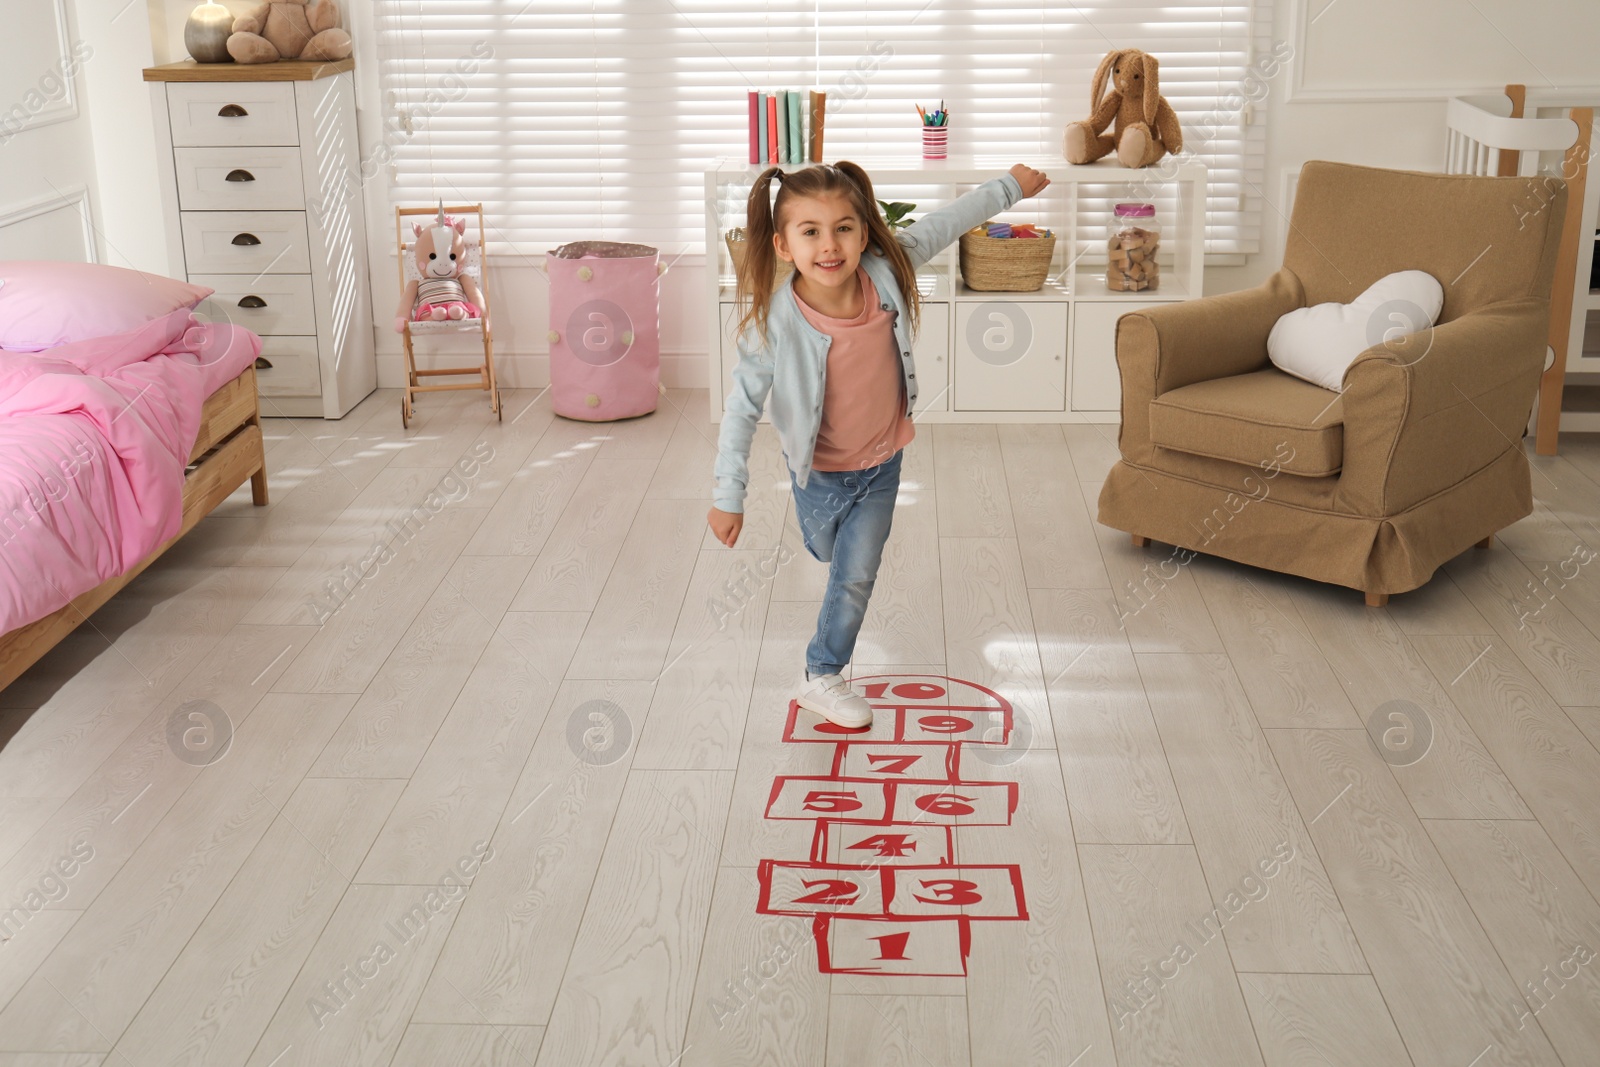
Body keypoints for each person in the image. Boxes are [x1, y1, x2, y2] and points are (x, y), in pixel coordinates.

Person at [708, 160, 1051, 728]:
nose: (830, 245)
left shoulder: (885, 271)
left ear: (864, 233)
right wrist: (728, 494)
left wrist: (1011, 186)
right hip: (818, 472)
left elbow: (945, 222)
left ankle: (823, 672)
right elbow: (741, 410)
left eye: (844, 227)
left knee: (854, 573)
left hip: (882, 464)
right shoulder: (774, 326)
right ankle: (832, 575)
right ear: (784, 245)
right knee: (826, 550)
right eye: (810, 231)